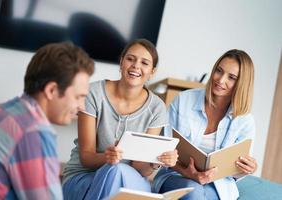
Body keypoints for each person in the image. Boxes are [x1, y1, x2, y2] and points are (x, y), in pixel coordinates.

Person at [62, 39, 178, 200]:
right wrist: (108, 158)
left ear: (152, 72)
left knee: (117, 172)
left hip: (129, 179)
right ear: (121, 62)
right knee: (114, 172)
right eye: (130, 59)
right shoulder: (94, 93)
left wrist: (156, 161)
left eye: (144, 63)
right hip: (84, 177)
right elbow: (86, 157)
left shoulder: (157, 108)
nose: (136, 66)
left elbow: (140, 168)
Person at [0, 42, 94, 199]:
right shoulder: (33, 132)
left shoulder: (0, 111)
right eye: (78, 97)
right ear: (51, 90)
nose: (82, 107)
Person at [152, 49, 258, 200]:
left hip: (218, 185)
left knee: (202, 194)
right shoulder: (183, 100)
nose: (220, 80)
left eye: (232, 77)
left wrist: (247, 169)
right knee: (193, 191)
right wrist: (187, 172)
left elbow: (235, 172)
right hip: (175, 175)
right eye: (219, 71)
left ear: (242, 84)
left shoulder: (245, 121)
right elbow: (163, 149)